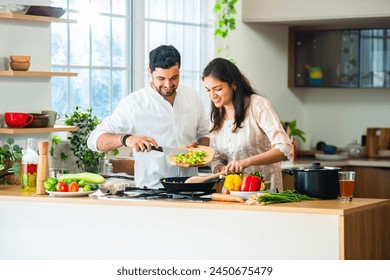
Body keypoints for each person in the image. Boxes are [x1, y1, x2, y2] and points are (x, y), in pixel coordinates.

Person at [87, 45, 210, 188]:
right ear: (150, 72)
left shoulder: (193, 97)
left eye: (174, 78)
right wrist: (126, 139)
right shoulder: (133, 104)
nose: (168, 85)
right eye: (161, 78)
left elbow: (204, 133)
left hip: (191, 187)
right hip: (153, 190)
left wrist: (198, 149)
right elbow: (94, 140)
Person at [202, 58, 293, 192]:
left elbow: (284, 149)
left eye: (217, 89)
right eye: (208, 90)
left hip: (265, 193)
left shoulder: (258, 105)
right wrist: (220, 169)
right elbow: (216, 158)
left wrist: (246, 162)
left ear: (233, 84)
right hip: (233, 194)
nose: (212, 95)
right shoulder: (215, 117)